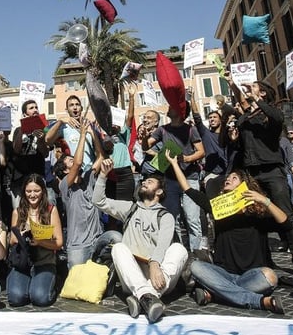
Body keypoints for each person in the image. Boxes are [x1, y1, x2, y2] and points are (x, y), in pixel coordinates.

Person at [168, 152, 288, 314]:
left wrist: (264, 201)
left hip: (251, 276)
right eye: (228, 178)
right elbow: (188, 190)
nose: (228, 179)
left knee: (270, 276)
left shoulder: (258, 214)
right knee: (196, 266)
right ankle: (259, 301)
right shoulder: (218, 209)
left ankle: (216, 293)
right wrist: (174, 163)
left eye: (234, 178)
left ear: (245, 186)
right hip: (223, 273)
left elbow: (285, 222)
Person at [92, 159, 188, 324]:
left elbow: (163, 244)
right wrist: (103, 175)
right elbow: (98, 201)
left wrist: (154, 264)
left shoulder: (166, 216)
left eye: (149, 182)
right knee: (118, 248)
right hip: (132, 275)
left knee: (179, 249)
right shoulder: (130, 208)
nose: (144, 182)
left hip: (159, 278)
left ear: (159, 192)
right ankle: (147, 297)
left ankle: (142, 297)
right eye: (144, 180)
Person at [226, 75, 293, 272]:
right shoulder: (246, 116)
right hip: (251, 172)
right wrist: (232, 83)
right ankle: (262, 259)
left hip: (271, 170)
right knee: (256, 215)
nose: (249, 90)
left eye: (253, 87)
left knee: (286, 214)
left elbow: (277, 118)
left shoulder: (270, 114)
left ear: (262, 93)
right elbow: (242, 105)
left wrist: (254, 98)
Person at [145, 100, 206, 252]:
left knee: (192, 219)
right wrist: (145, 139)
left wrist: (185, 159)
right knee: (172, 219)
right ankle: (177, 252)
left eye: (172, 106)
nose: (168, 108)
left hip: (189, 177)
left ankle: (196, 254)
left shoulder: (191, 130)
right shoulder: (162, 130)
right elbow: (147, 146)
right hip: (170, 180)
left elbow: (201, 151)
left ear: (180, 112)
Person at [60, 116, 120, 268]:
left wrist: (92, 133)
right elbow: (79, 162)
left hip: (97, 238)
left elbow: (100, 156)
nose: (73, 160)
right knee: (76, 276)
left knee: (117, 238)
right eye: (69, 160)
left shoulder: (88, 177)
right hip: (78, 244)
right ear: (65, 170)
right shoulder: (65, 185)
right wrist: (81, 135)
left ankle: (107, 267)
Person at [7, 173, 63, 307]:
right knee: (16, 298)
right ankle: (24, 282)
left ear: (43, 191)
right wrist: (22, 234)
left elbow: (59, 242)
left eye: (36, 191)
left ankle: (52, 281)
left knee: (40, 298)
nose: (32, 195)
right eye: (29, 191)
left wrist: (40, 241)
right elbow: (12, 240)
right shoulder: (18, 212)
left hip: (44, 262)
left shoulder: (51, 211)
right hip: (23, 262)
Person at [8, 100, 49, 209]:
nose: (35, 109)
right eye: (31, 108)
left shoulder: (43, 129)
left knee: (39, 209)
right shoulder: (18, 130)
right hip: (20, 179)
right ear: (25, 114)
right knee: (20, 210)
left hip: (37, 176)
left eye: (36, 107)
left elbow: (45, 154)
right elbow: (16, 149)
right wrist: (23, 127)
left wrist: (40, 140)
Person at [45, 95, 95, 172]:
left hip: (92, 170)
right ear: (67, 110)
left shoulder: (89, 125)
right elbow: (48, 140)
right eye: (71, 105)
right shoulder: (64, 127)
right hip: (74, 172)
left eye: (77, 104)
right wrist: (60, 121)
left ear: (81, 108)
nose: (75, 107)